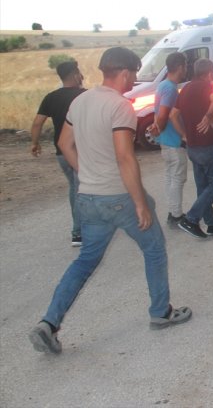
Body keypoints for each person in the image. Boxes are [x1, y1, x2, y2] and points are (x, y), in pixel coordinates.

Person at [29, 47, 192, 355]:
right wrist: (140, 203)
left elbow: (64, 144)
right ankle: (161, 312)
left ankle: (48, 323)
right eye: (134, 73)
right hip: (119, 197)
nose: (134, 80)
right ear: (125, 72)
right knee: (154, 248)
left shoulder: (80, 101)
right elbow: (124, 157)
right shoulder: (121, 107)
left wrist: (87, 173)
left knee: (85, 262)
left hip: (88, 198)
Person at [30, 60, 86, 246]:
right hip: (80, 151)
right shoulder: (84, 96)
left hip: (61, 153)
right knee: (82, 189)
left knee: (74, 187)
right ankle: (79, 232)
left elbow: (37, 123)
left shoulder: (51, 97)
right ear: (75, 74)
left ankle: (82, 228)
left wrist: (35, 143)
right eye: (79, 72)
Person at [175, 58, 213, 239]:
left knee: (203, 186)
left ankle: (211, 224)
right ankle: (191, 219)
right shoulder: (206, 86)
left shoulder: (186, 88)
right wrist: (209, 115)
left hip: (192, 147)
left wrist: (184, 135)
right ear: (209, 72)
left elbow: (173, 115)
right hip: (206, 146)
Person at [150, 52, 188, 229]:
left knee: (170, 177)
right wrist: (183, 135)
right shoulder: (171, 88)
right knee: (177, 178)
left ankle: (173, 211)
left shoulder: (163, 85)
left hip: (165, 141)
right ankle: (176, 215)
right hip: (173, 141)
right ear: (180, 67)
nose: (186, 69)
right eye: (185, 66)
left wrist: (157, 128)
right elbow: (165, 114)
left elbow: (157, 112)